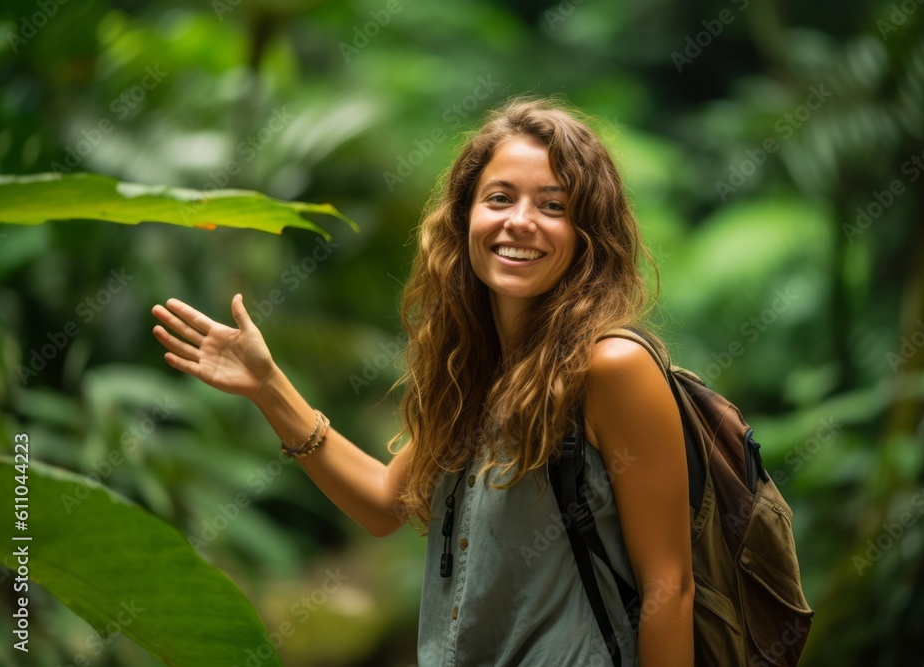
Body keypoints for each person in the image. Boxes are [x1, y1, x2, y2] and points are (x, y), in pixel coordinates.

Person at [151, 97, 694, 666]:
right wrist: (267, 386)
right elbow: (385, 503)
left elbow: (670, 587)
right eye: (500, 198)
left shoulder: (610, 368)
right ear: (465, 220)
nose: (519, 221)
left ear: (587, 233)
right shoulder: (483, 373)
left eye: (553, 205)